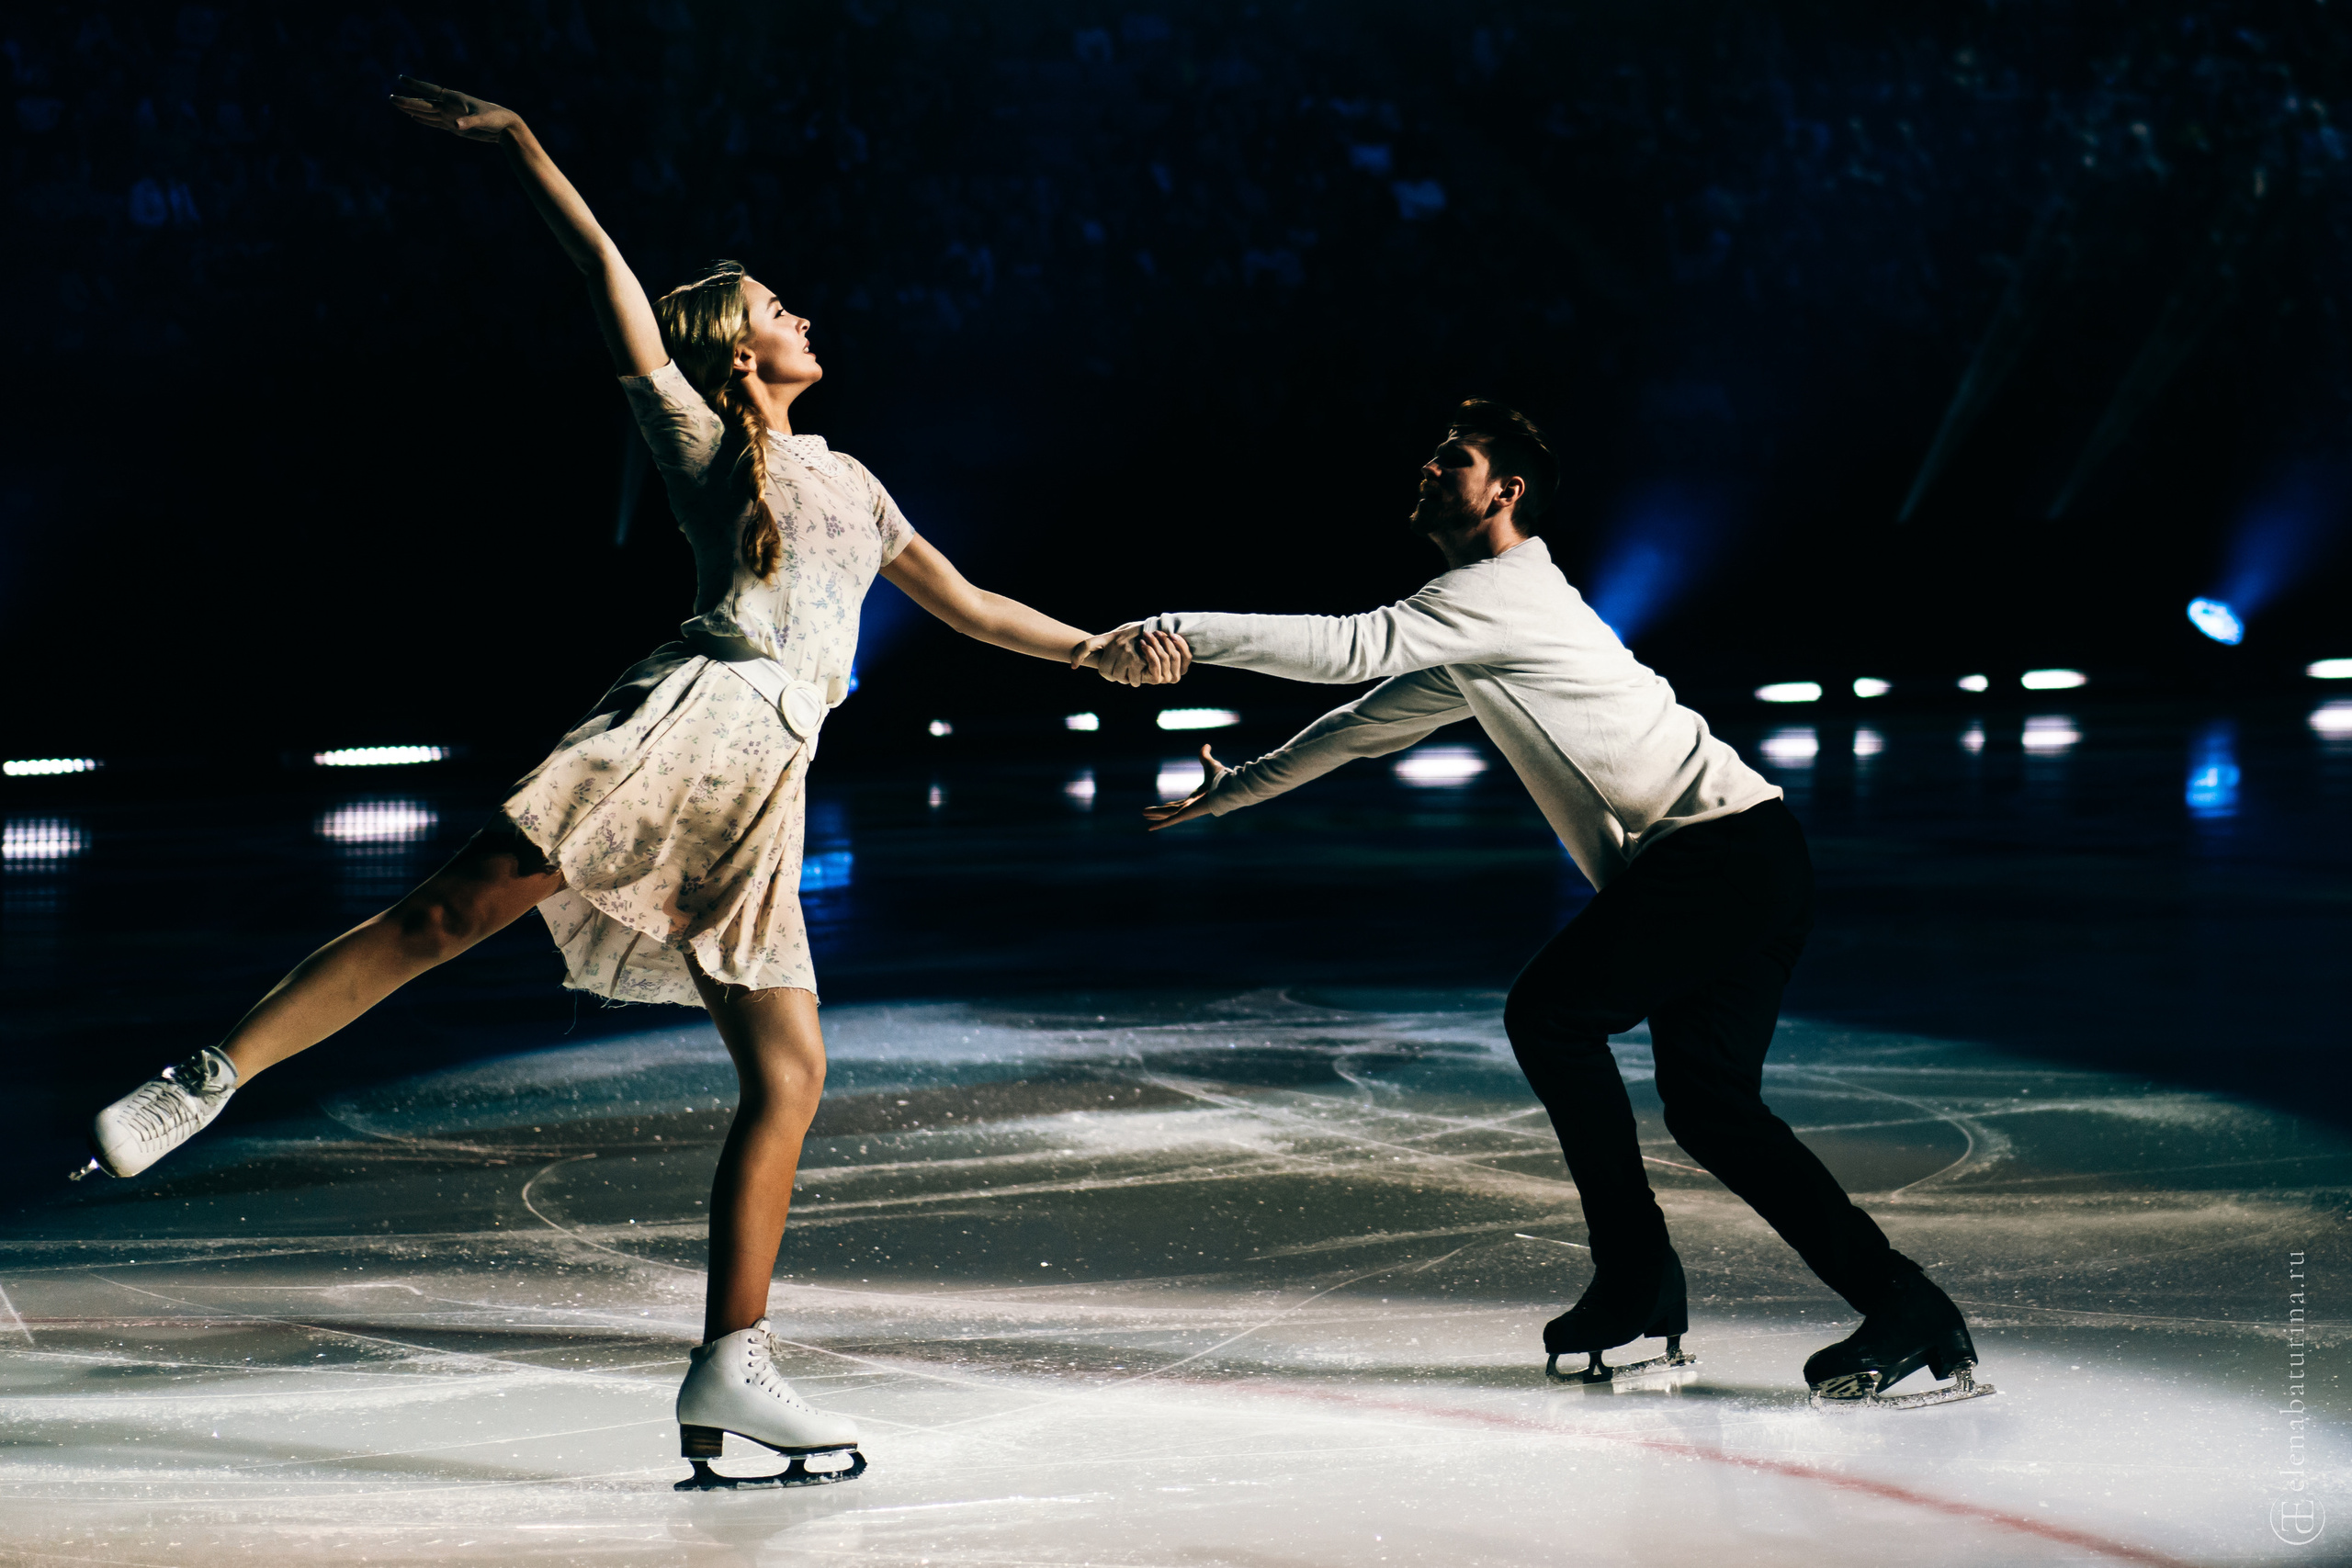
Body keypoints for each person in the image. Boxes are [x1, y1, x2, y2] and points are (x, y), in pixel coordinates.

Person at [74, 77, 1193, 1489]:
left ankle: (734, 1354)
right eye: (781, 307)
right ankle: (206, 1074)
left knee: (789, 1072)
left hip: (775, 779)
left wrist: (1100, 649)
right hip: (697, 715)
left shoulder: (856, 476)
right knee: (453, 912)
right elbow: (606, 279)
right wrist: (528, 149)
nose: (806, 316)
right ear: (740, 343)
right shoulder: (709, 442)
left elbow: (968, 605)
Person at [1109, 400, 1994, 1410]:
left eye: (1454, 460)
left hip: (1719, 856)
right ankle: (1901, 1304)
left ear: (1506, 491)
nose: (1430, 471)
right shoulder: (1479, 622)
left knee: (1551, 1014)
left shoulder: (1504, 590)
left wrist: (1168, 632)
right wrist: (1239, 787)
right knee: (1711, 1109)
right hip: (1747, 854)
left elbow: (1354, 645)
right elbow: (1365, 721)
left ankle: (1636, 1280)